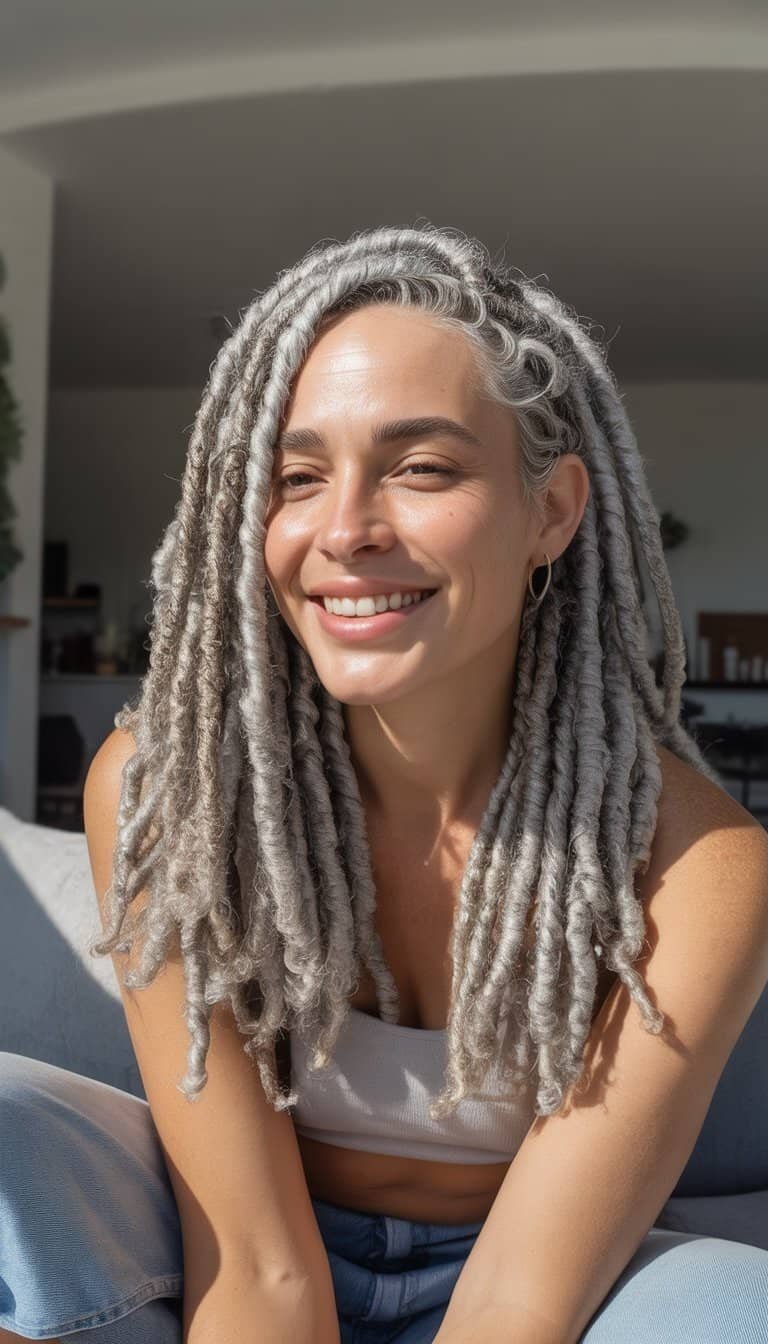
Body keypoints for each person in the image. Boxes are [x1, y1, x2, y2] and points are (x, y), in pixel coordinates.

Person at [1, 222, 767, 1343]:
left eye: (421, 467)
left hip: (521, 1273)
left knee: (734, 1309)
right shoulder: (175, 793)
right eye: (298, 477)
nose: (346, 529)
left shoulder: (697, 867)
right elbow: (255, 1262)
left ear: (552, 510)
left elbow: (521, 1302)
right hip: (229, 1243)